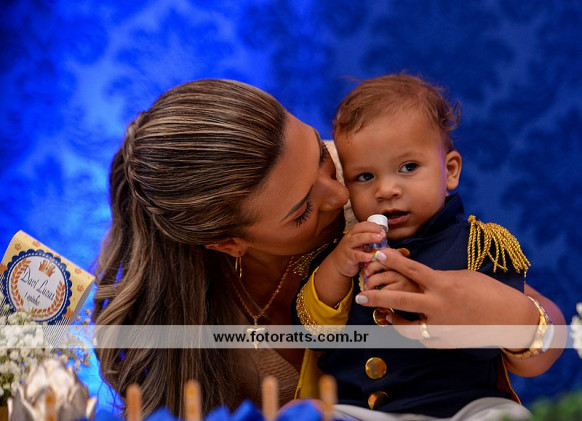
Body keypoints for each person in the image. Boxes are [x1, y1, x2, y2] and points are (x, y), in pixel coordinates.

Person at [92, 78, 564, 419]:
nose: (340, 196)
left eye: (322, 157)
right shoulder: (185, 318)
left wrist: (506, 314)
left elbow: (549, 336)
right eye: (302, 211)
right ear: (229, 243)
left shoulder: (373, 178)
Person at [294, 74, 564, 420]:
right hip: (360, 410)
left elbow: (501, 335)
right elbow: (312, 333)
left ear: (449, 171)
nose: (386, 190)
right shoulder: (343, 250)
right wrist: (335, 267)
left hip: (461, 406)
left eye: (408, 167)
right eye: (365, 177)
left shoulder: (478, 245)